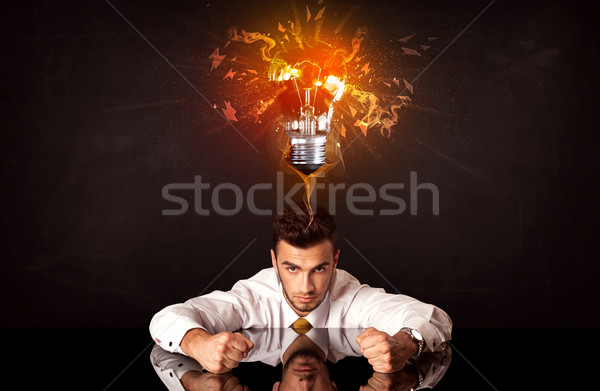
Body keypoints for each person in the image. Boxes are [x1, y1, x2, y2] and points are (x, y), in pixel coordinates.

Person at [150, 204, 452, 375]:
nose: (305, 287)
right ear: (274, 261)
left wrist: (405, 342)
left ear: (335, 261)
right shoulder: (253, 295)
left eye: (318, 269)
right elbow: (167, 318)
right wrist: (197, 343)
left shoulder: (351, 296)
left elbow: (434, 318)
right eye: (292, 268)